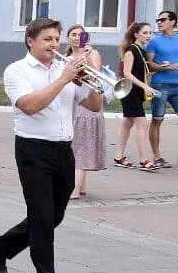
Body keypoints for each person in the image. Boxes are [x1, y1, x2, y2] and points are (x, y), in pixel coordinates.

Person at [0, 18, 103, 273]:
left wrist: (93, 81)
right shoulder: (18, 70)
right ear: (31, 41)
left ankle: (2, 245)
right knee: (41, 217)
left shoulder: (64, 70)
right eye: (47, 39)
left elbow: (95, 107)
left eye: (56, 39)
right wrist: (63, 79)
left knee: (54, 216)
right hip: (32, 149)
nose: (54, 44)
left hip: (64, 150)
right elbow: (28, 106)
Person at [64, 25, 107, 199]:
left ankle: (74, 189)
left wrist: (86, 56)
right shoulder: (65, 57)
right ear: (67, 38)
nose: (76, 38)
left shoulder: (93, 53)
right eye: (73, 34)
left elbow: (95, 74)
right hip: (73, 101)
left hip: (89, 100)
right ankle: (81, 186)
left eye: (80, 35)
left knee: (81, 144)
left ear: (86, 38)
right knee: (77, 142)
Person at [116, 22, 158, 169]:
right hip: (129, 91)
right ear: (136, 34)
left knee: (127, 123)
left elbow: (140, 72)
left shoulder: (141, 51)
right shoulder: (131, 50)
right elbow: (127, 73)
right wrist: (145, 86)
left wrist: (159, 69)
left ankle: (118, 156)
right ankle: (144, 160)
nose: (149, 36)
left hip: (135, 91)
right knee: (142, 123)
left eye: (150, 33)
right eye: (145, 33)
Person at [146, 10, 178, 168]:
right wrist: (164, 67)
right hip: (160, 84)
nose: (159, 22)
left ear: (173, 22)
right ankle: (157, 156)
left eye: (163, 19)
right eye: (157, 20)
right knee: (157, 119)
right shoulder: (154, 41)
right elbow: (149, 63)